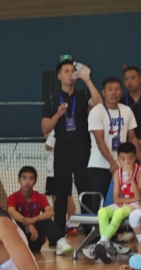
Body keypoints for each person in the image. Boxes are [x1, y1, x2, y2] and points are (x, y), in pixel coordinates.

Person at [41, 59, 102, 256]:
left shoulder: (83, 94)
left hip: (83, 148)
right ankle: (58, 238)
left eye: (72, 71)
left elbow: (99, 103)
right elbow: (45, 128)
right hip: (62, 150)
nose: (70, 74)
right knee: (61, 194)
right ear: (59, 75)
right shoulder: (52, 100)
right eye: (66, 71)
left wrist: (87, 79)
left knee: (86, 190)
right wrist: (58, 115)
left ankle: (91, 235)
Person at [84, 143, 141, 263]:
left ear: (135, 157)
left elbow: (139, 197)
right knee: (102, 211)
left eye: (130, 158)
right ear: (118, 159)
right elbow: (116, 198)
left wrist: (131, 178)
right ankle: (107, 246)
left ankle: (101, 244)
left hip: (136, 205)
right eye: (122, 159)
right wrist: (126, 200)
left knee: (119, 212)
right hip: (123, 203)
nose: (126, 162)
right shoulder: (117, 173)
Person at [87, 76, 140, 202]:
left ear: (121, 92)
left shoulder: (127, 110)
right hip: (100, 165)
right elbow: (100, 141)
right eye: (110, 89)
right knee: (99, 203)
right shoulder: (96, 111)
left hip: (124, 166)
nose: (114, 92)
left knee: (122, 201)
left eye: (117, 89)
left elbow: (133, 139)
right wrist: (112, 163)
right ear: (103, 92)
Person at [7, 166, 54, 253]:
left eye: (31, 179)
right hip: (19, 237)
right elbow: (11, 212)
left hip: (35, 236)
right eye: (24, 178)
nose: (27, 182)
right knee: (11, 220)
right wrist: (29, 224)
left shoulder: (40, 197)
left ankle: (59, 242)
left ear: (35, 182)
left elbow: (50, 212)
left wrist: (33, 220)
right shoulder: (13, 197)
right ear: (19, 180)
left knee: (46, 220)